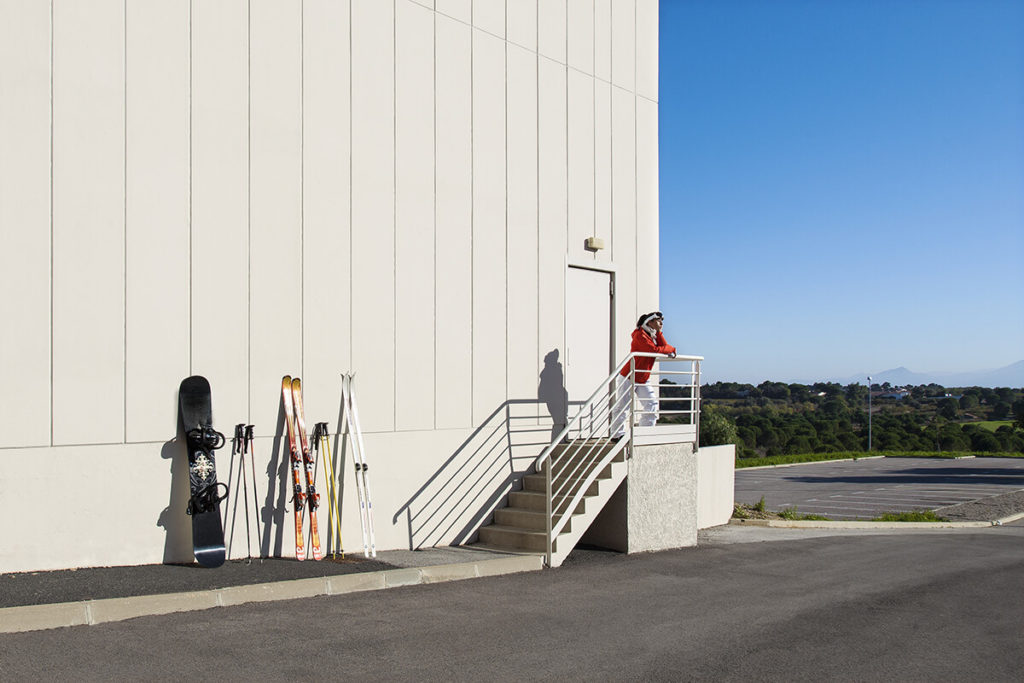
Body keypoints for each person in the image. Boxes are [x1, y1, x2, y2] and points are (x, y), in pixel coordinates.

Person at [612, 311, 677, 436]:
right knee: (623, 406)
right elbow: (654, 350)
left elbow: (663, 346)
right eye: (658, 320)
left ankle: (644, 433)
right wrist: (672, 349)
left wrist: (658, 333)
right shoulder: (639, 335)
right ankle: (617, 434)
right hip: (629, 376)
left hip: (642, 377)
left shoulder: (652, 335)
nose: (661, 323)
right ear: (650, 322)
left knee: (651, 404)